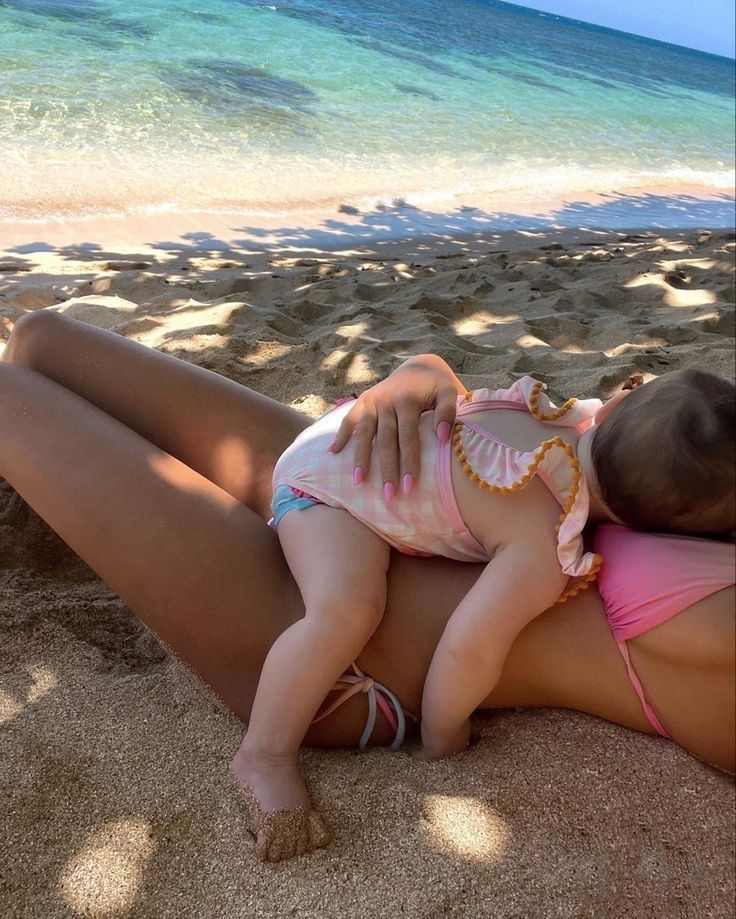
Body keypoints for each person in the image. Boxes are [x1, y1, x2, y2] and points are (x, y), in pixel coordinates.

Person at [1, 311, 733, 865]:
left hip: (333, 654)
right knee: (43, 337)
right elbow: (578, 423)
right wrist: (429, 374)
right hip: (370, 493)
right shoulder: (649, 465)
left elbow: (471, 649)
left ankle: (264, 751)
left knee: (13, 388)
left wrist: (445, 738)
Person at [234, 357, 734, 858]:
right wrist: (443, 734)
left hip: (349, 430)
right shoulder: (541, 546)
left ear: (614, 406)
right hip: (327, 494)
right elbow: (467, 647)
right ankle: (264, 754)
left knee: (348, 607)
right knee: (343, 613)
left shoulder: (548, 414)